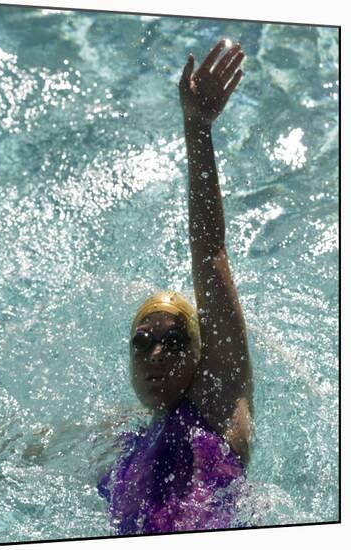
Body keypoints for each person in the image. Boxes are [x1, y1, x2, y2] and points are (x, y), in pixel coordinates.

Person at [97, 38, 254, 535]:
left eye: (174, 339)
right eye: (143, 342)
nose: (158, 354)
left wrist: (197, 127)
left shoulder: (219, 403)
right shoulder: (125, 440)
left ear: (200, 351)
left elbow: (209, 248)